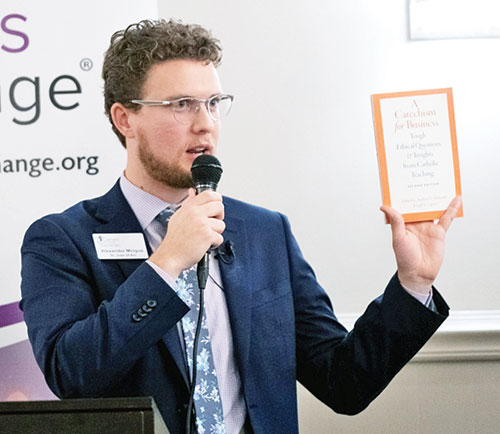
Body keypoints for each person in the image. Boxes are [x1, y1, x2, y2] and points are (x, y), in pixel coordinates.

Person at [20, 19, 462, 434]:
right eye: (181, 105)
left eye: (213, 103)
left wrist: (412, 284)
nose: (205, 123)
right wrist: (168, 262)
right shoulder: (62, 240)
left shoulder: (264, 233)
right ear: (124, 119)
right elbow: (70, 374)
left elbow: (343, 382)